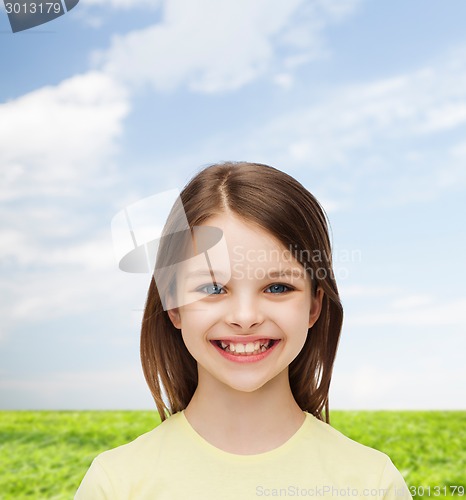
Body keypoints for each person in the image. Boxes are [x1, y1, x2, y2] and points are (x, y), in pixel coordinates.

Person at [75, 162, 411, 499]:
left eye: (278, 288)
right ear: (173, 306)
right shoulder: (115, 483)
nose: (245, 317)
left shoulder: (373, 483)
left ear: (314, 306)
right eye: (213, 288)